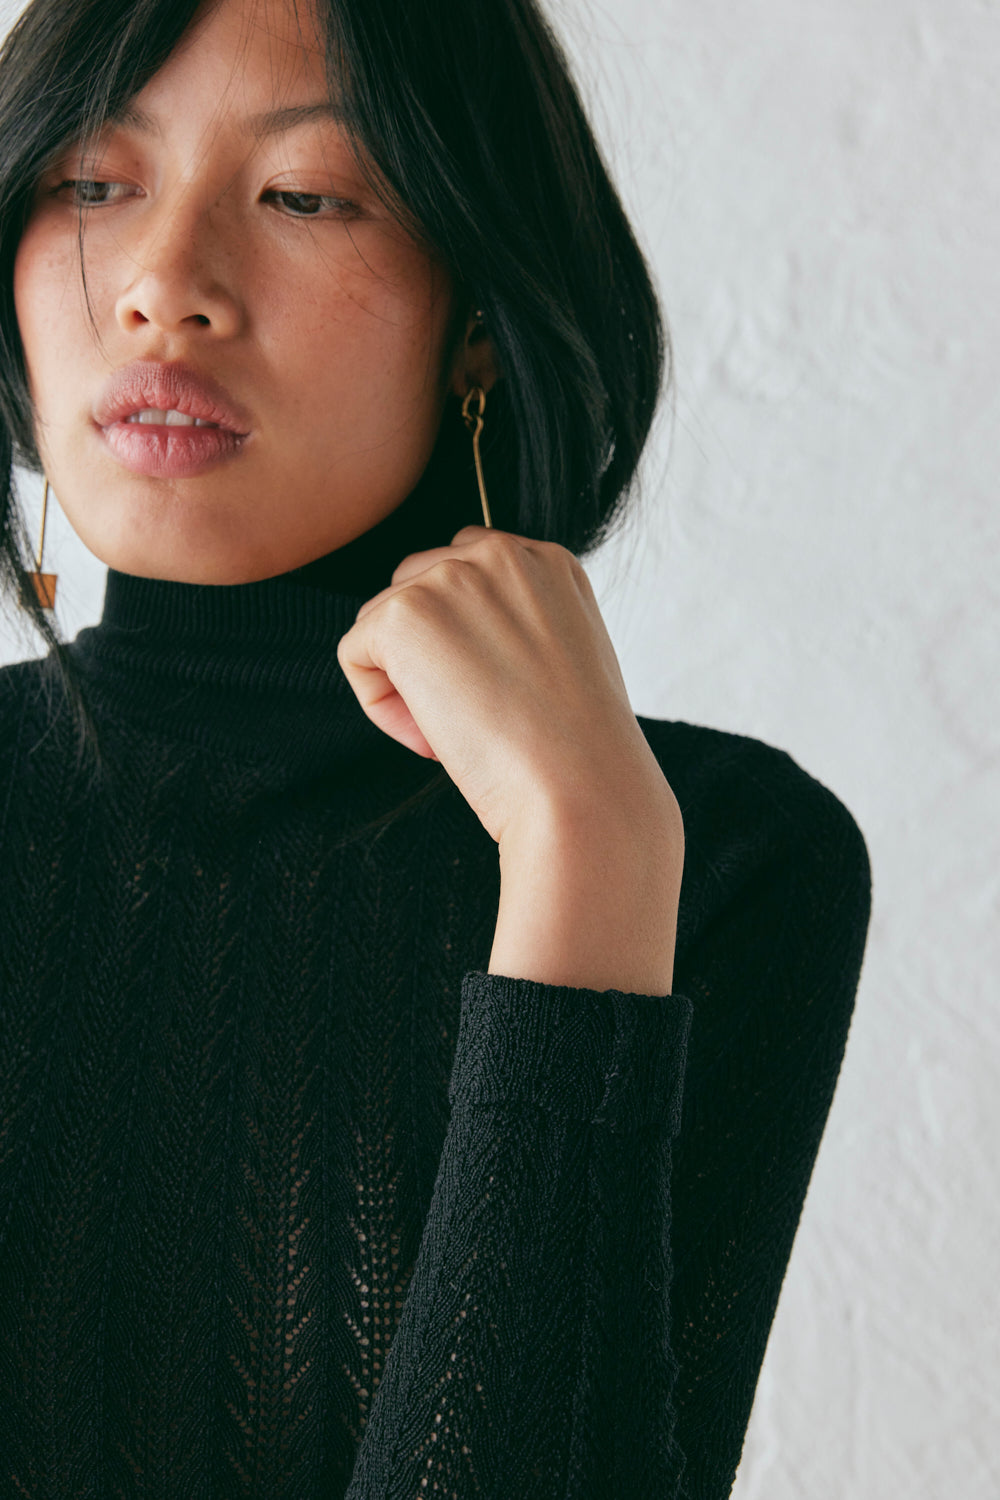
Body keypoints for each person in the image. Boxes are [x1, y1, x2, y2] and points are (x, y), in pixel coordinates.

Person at [0, 0, 872, 1494]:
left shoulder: (717, 859)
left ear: (476, 319)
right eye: (92, 181)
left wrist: (586, 859)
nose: (161, 288)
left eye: (304, 195)